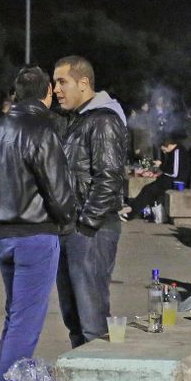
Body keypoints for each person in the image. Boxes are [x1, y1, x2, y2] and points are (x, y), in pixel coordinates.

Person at [0, 65, 76, 381]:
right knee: (26, 318)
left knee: (15, 312)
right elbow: (58, 190)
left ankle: (10, 376)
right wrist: (69, 218)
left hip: (1, 233)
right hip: (35, 233)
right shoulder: (42, 129)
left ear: (16, 95)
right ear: (47, 94)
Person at [51, 55, 129, 347]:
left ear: (83, 83)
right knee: (74, 317)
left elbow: (109, 178)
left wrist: (85, 226)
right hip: (72, 227)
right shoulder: (75, 120)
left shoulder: (103, 120)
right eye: (55, 82)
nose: (57, 89)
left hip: (90, 230)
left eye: (62, 82)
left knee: (91, 320)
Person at [123, 135, 191, 221]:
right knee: (147, 189)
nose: (164, 152)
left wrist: (161, 165)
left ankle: (130, 213)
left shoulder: (178, 152)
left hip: (176, 182)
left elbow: (174, 172)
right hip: (168, 180)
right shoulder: (173, 152)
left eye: (164, 149)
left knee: (149, 191)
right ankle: (135, 212)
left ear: (169, 145)